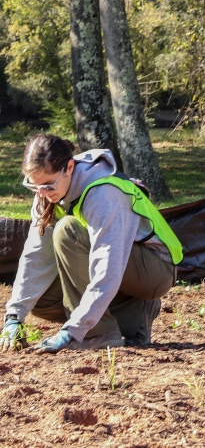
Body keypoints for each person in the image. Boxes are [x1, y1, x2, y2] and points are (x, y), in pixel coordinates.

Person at [1, 134, 183, 353]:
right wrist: (14, 315)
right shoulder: (46, 193)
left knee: (68, 231)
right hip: (124, 269)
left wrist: (74, 331)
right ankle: (135, 314)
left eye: (48, 185)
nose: (41, 193)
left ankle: (101, 334)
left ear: (69, 167)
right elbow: (35, 255)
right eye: (34, 186)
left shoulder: (104, 194)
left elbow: (107, 268)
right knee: (40, 300)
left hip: (155, 269)